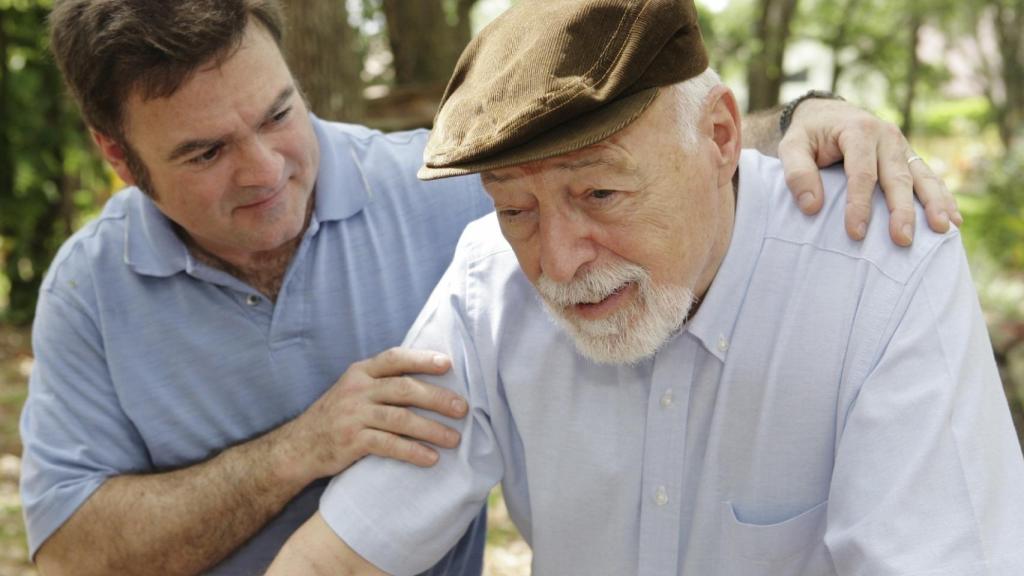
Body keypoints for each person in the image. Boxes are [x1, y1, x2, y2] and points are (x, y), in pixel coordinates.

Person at [22, 0, 960, 574]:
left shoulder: (438, 195)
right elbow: (67, 553)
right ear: (119, 157)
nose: (267, 169)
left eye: (279, 114)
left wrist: (810, 118)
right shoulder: (88, 295)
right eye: (206, 152)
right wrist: (296, 451)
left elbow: (631, 149)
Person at [269, 0, 1024, 574]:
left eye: (601, 194)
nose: (559, 263)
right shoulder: (486, 284)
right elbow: (339, 558)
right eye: (516, 210)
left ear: (721, 138)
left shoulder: (881, 269)